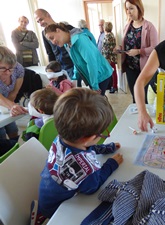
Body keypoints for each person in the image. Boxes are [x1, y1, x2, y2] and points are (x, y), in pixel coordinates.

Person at [30, 88, 123, 224]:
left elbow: (85, 146)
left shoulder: (61, 138)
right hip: (58, 211)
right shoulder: (87, 170)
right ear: (90, 137)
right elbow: (93, 187)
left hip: (47, 196)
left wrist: (107, 147)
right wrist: (111, 164)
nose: (104, 135)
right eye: (102, 134)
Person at [44, 23, 113, 95]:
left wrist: (94, 85)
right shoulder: (67, 44)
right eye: (50, 40)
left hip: (100, 74)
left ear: (58, 30)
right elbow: (76, 63)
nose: (53, 42)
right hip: (94, 75)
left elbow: (91, 62)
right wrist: (74, 79)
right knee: (99, 100)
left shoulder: (80, 40)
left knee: (97, 101)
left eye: (52, 38)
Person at [117, 0, 158, 103]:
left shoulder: (149, 27)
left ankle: (145, 117)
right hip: (130, 68)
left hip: (144, 68)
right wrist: (120, 48)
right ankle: (138, 118)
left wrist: (139, 51)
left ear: (139, 8)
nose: (128, 12)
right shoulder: (127, 27)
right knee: (135, 98)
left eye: (131, 8)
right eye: (127, 9)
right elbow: (128, 44)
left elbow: (155, 48)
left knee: (144, 99)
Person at [34, 9, 74, 79]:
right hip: (59, 68)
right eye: (38, 22)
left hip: (73, 65)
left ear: (48, 15)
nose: (40, 24)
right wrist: (51, 70)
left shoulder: (65, 27)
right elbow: (50, 53)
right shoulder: (44, 34)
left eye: (41, 19)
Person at [0, 46, 28, 141]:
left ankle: (14, 145)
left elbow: (13, 94)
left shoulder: (18, 68)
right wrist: (12, 106)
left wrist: (12, 108)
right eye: (3, 68)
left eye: (10, 69)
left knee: (12, 126)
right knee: (1, 131)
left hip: (6, 99)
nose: (8, 73)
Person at [102, 21, 118, 94]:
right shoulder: (111, 35)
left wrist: (106, 59)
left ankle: (114, 86)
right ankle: (113, 86)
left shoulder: (108, 36)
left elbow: (107, 49)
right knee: (113, 72)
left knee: (112, 73)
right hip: (110, 58)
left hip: (109, 58)